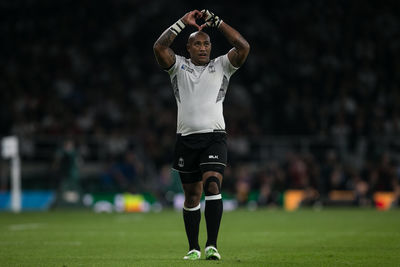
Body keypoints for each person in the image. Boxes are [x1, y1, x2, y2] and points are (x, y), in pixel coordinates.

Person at [153, 9, 250, 260]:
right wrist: (181, 23)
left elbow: (243, 46)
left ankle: (212, 245)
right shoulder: (178, 67)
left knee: (212, 184)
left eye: (206, 43)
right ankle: (193, 248)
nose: (203, 47)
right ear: (188, 47)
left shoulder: (222, 66)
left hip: (214, 137)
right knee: (192, 196)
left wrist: (217, 22)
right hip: (185, 139)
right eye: (197, 44)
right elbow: (159, 48)